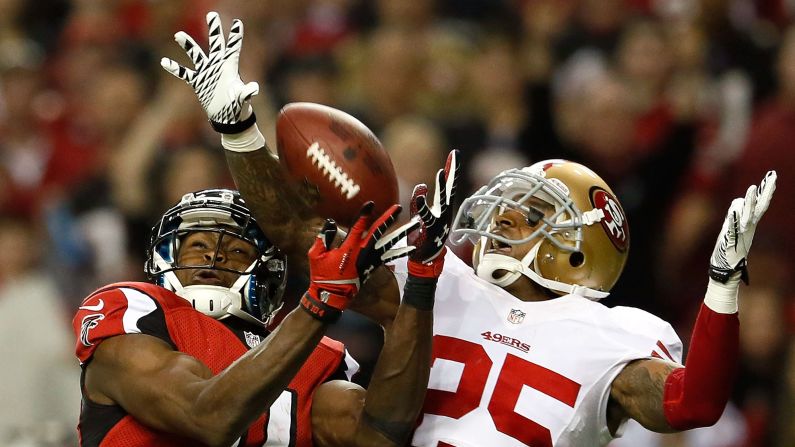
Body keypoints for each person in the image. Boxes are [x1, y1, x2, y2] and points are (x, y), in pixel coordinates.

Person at [163, 11, 777, 447]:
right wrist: (239, 130)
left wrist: (721, 289)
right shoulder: (438, 275)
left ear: (578, 252)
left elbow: (693, 404)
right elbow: (298, 232)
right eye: (510, 198)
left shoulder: (614, 333)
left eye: (534, 214)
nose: (503, 213)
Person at [71, 184, 454, 446]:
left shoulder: (315, 354)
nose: (214, 256)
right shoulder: (136, 310)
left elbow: (380, 437)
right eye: (197, 245)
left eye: (237, 250)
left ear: (268, 274)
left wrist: (419, 289)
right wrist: (319, 302)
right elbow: (206, 416)